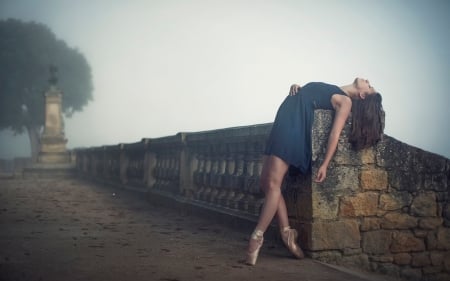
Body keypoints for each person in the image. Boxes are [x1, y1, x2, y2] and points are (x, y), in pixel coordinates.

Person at [246, 78, 384, 265]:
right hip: (286, 119)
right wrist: (299, 89)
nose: (368, 81)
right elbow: (313, 97)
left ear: (362, 94)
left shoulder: (346, 101)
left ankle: (257, 237)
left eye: (370, 86)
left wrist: (325, 164)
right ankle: (287, 233)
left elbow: (335, 133)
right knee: (266, 182)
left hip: (294, 126)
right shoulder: (334, 89)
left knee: (272, 184)